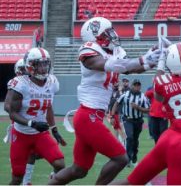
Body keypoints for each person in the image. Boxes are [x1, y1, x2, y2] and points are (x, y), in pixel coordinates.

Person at [48, 17, 163, 185]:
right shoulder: (88, 50)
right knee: (121, 158)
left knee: (79, 170)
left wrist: (152, 58)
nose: (112, 35)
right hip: (88, 116)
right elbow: (110, 65)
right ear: (95, 38)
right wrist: (143, 59)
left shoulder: (116, 52)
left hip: (91, 116)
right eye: (107, 33)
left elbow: (131, 68)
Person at [112, 42, 181, 185]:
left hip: (169, 137)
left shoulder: (162, 82)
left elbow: (158, 94)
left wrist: (161, 61)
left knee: (131, 182)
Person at [5, 48, 66, 184]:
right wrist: (31, 123)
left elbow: (48, 105)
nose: (44, 68)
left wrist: (54, 129)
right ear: (31, 65)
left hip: (40, 134)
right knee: (17, 178)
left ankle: (52, 180)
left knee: (60, 165)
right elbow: (10, 110)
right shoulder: (21, 84)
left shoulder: (52, 82)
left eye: (46, 64)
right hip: (21, 135)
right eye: (40, 64)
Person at [111, 79, 150, 165]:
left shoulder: (143, 97)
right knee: (129, 137)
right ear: (132, 86)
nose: (136, 87)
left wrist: (138, 108)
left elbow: (148, 110)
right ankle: (128, 157)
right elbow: (116, 103)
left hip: (138, 120)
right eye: (135, 85)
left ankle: (134, 153)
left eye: (138, 85)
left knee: (135, 139)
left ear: (140, 86)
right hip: (127, 119)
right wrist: (113, 116)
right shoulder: (125, 95)